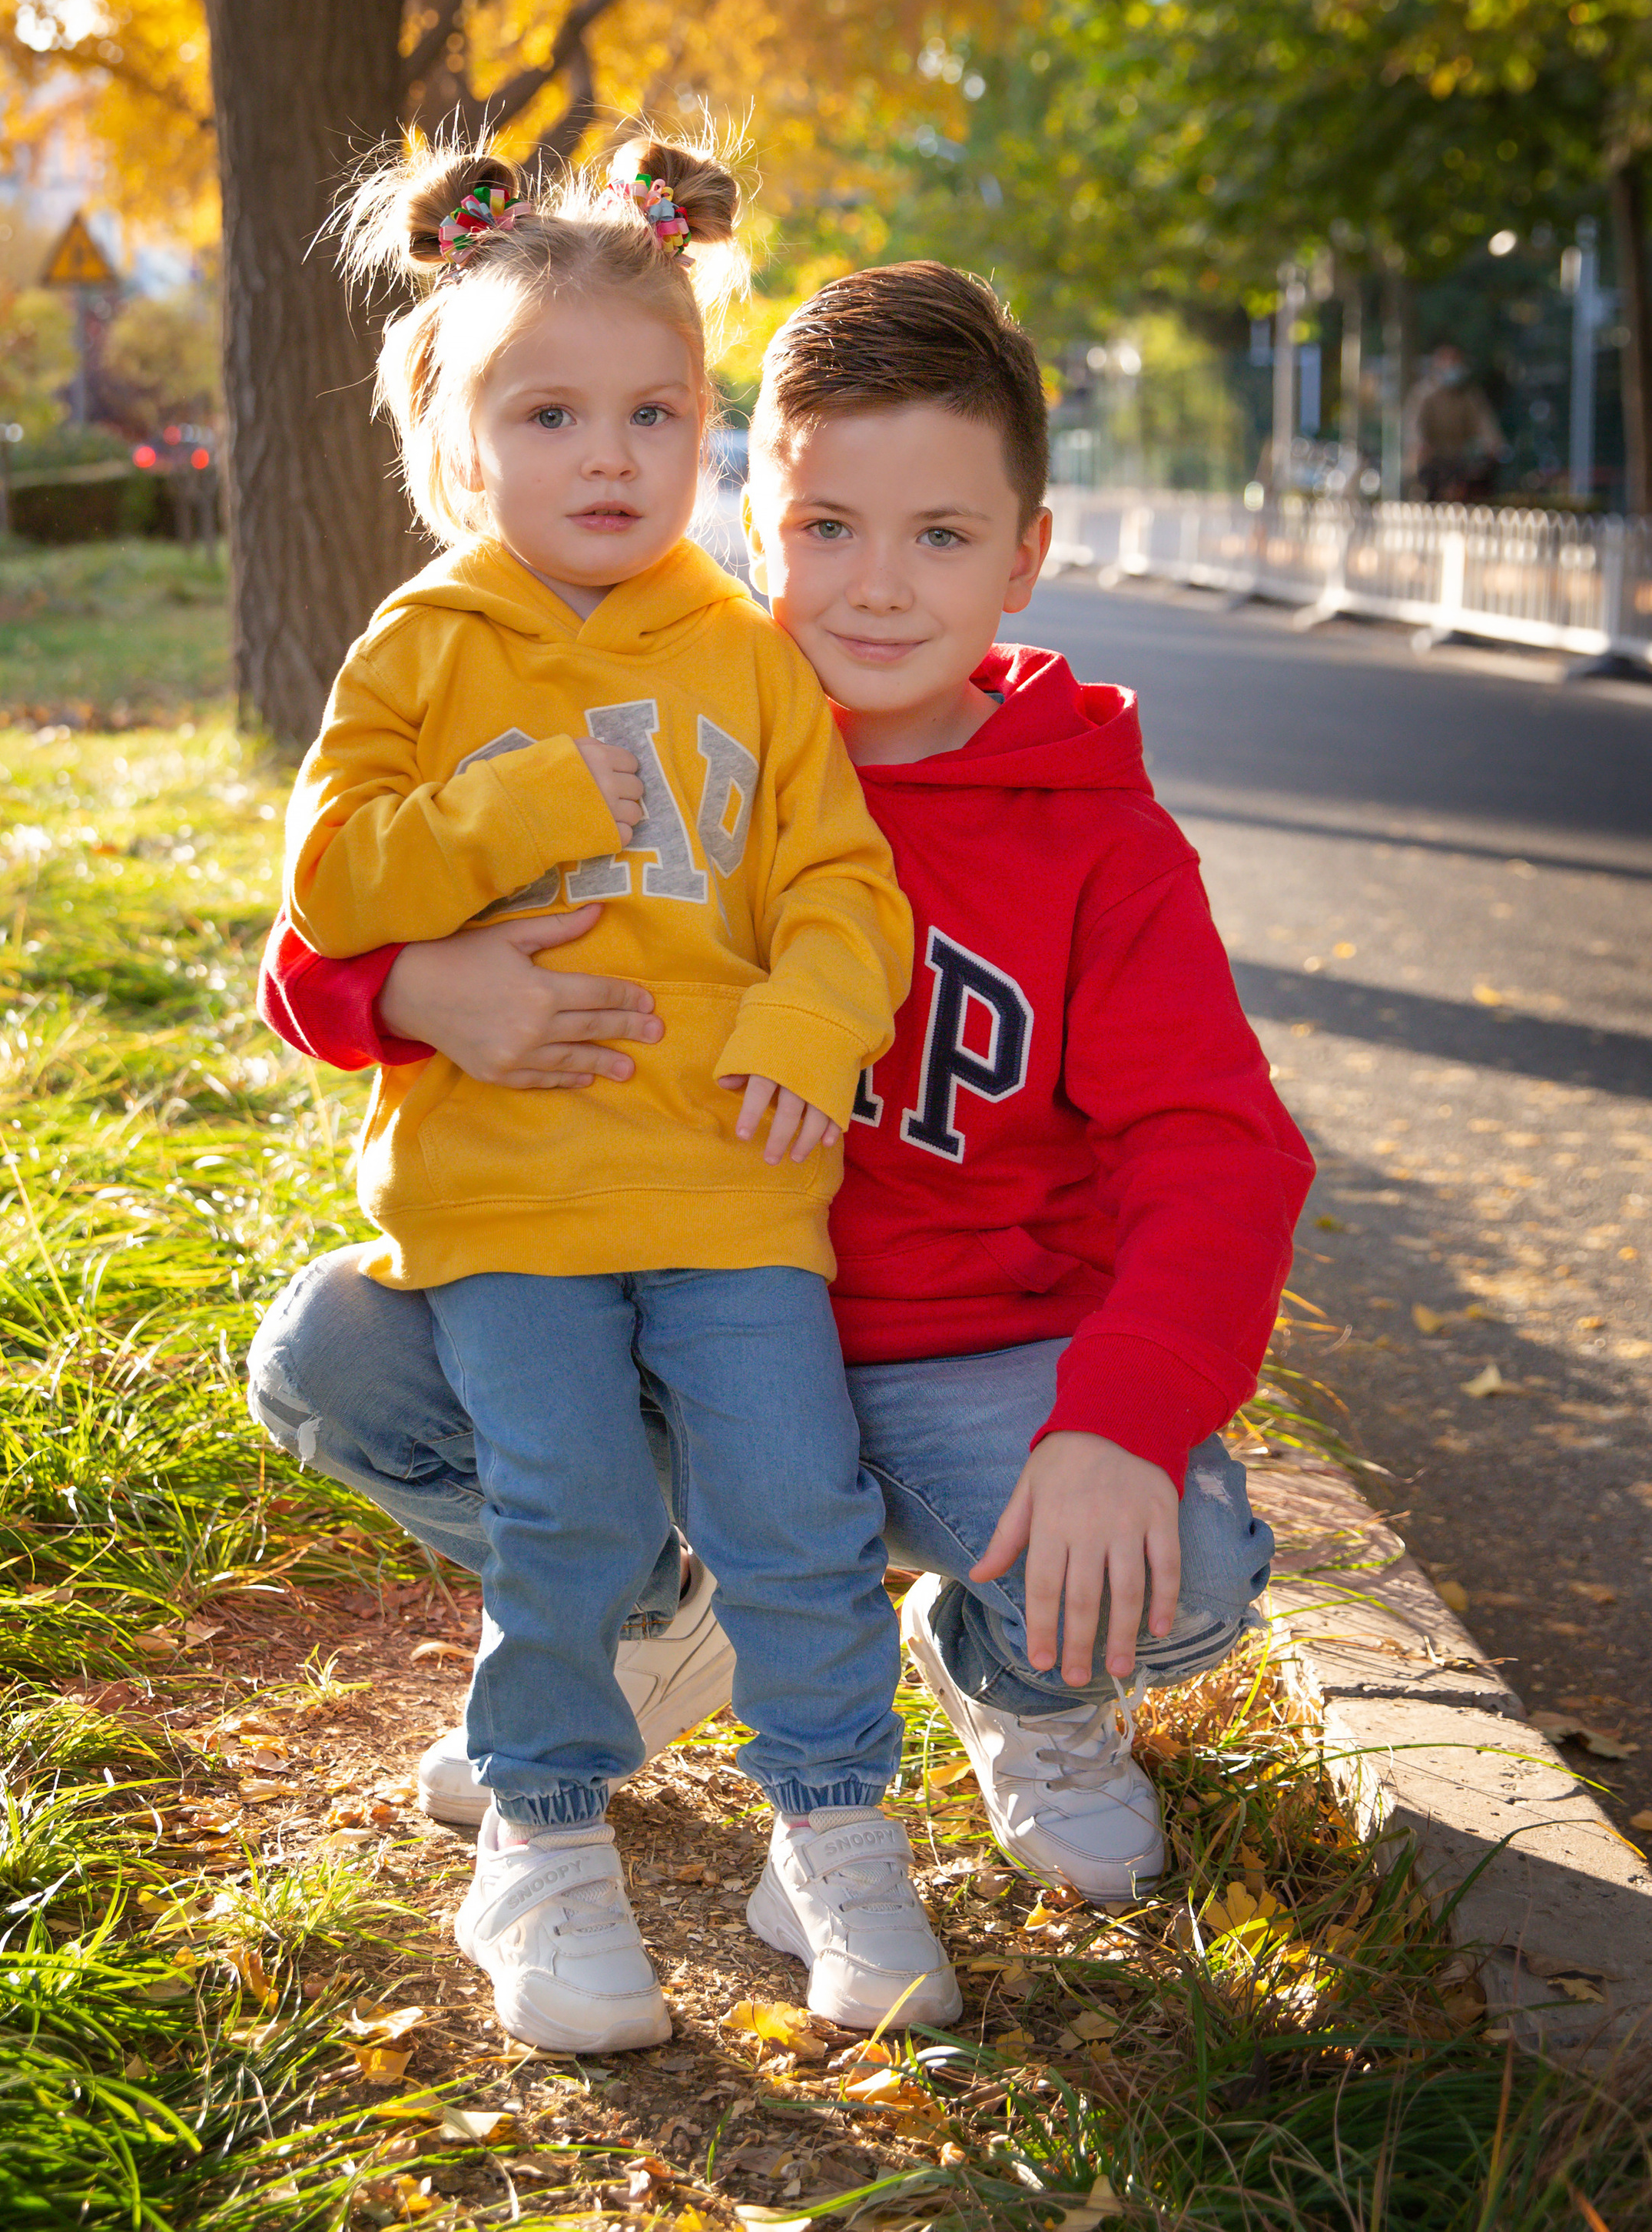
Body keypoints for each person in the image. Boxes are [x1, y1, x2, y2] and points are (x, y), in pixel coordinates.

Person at [252, 261, 1310, 1923]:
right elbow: (326, 938)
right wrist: (404, 989)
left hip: (957, 1359)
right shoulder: (672, 715)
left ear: (1025, 553)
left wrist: (1118, 1415)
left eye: (940, 536)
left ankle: (1010, 1686)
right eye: (826, 528)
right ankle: (653, 1612)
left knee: (1178, 1555)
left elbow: (1217, 1153)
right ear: (753, 520)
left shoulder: (1094, 838)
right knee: (337, 1355)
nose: (876, 587)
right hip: (682, 1324)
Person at [275, 138, 960, 2055]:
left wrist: (809, 1019)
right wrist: (529, 800)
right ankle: (546, 1831)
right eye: (551, 409)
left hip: (732, 1183)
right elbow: (329, 885)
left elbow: (839, 880)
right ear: (458, 435)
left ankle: (829, 1824)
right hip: (507, 1199)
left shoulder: (742, 653)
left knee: (795, 1515)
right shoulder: (423, 644)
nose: (609, 452)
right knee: (565, 1511)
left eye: (654, 410)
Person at [1405, 342, 1505, 502]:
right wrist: (1419, 446)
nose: (1452, 366)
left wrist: (1494, 445)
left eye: (1455, 361)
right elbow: (1414, 426)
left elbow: (1485, 424)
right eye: (1447, 361)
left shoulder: (1469, 396)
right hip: (1433, 461)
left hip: (1460, 460)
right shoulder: (1424, 395)